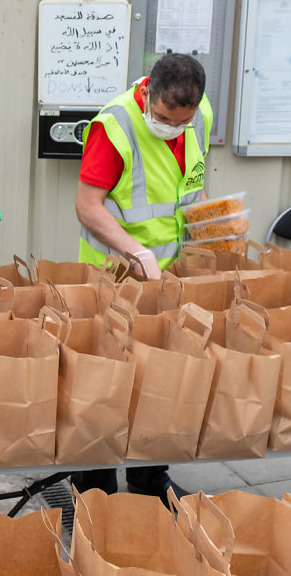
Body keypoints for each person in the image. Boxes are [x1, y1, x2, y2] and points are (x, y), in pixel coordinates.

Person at [73, 52, 212, 504]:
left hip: (166, 276)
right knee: (107, 381)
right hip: (113, 273)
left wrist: (213, 224)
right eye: (164, 117)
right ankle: (95, 487)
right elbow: (88, 206)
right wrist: (135, 252)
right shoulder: (115, 126)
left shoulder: (199, 117)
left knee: (160, 379)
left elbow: (192, 182)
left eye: (181, 122)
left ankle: (150, 478)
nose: (172, 127)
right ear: (148, 91)